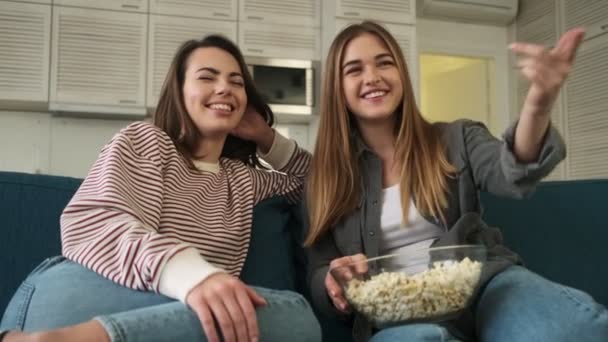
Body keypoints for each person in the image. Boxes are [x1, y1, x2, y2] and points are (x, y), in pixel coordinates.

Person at [0, 35, 321, 342]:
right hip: (78, 293)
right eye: (207, 78)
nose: (224, 87)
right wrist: (196, 276)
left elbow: (321, 184)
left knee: (296, 318)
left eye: (236, 82)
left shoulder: (243, 180)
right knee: (281, 314)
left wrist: (266, 137)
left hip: (171, 314)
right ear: (178, 93)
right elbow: (94, 224)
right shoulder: (147, 140)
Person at [304, 21, 608, 342]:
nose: (373, 77)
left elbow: (511, 172)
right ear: (337, 88)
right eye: (354, 69)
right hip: (397, 313)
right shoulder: (323, 178)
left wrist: (539, 102)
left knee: (574, 328)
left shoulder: (457, 138)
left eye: (384, 62)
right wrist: (332, 281)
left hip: (487, 286)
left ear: (402, 74)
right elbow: (318, 268)